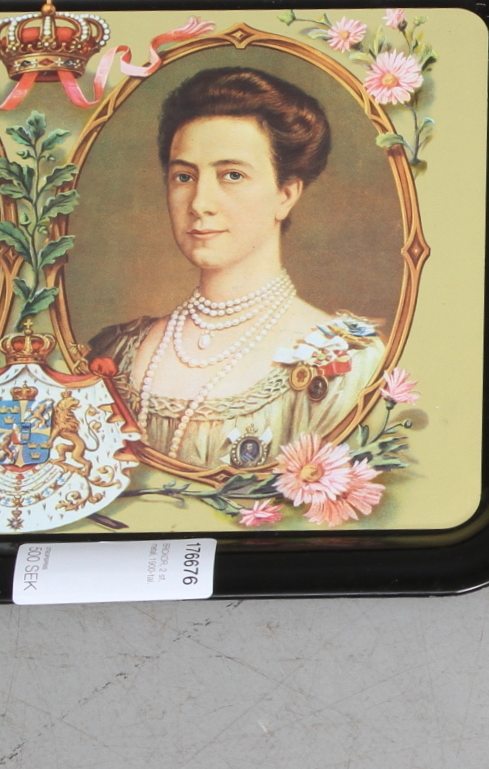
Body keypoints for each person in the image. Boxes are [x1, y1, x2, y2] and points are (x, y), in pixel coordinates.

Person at [89, 66, 380, 472]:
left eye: (232, 175)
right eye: (184, 176)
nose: (199, 203)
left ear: (285, 194)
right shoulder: (113, 351)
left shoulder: (347, 364)